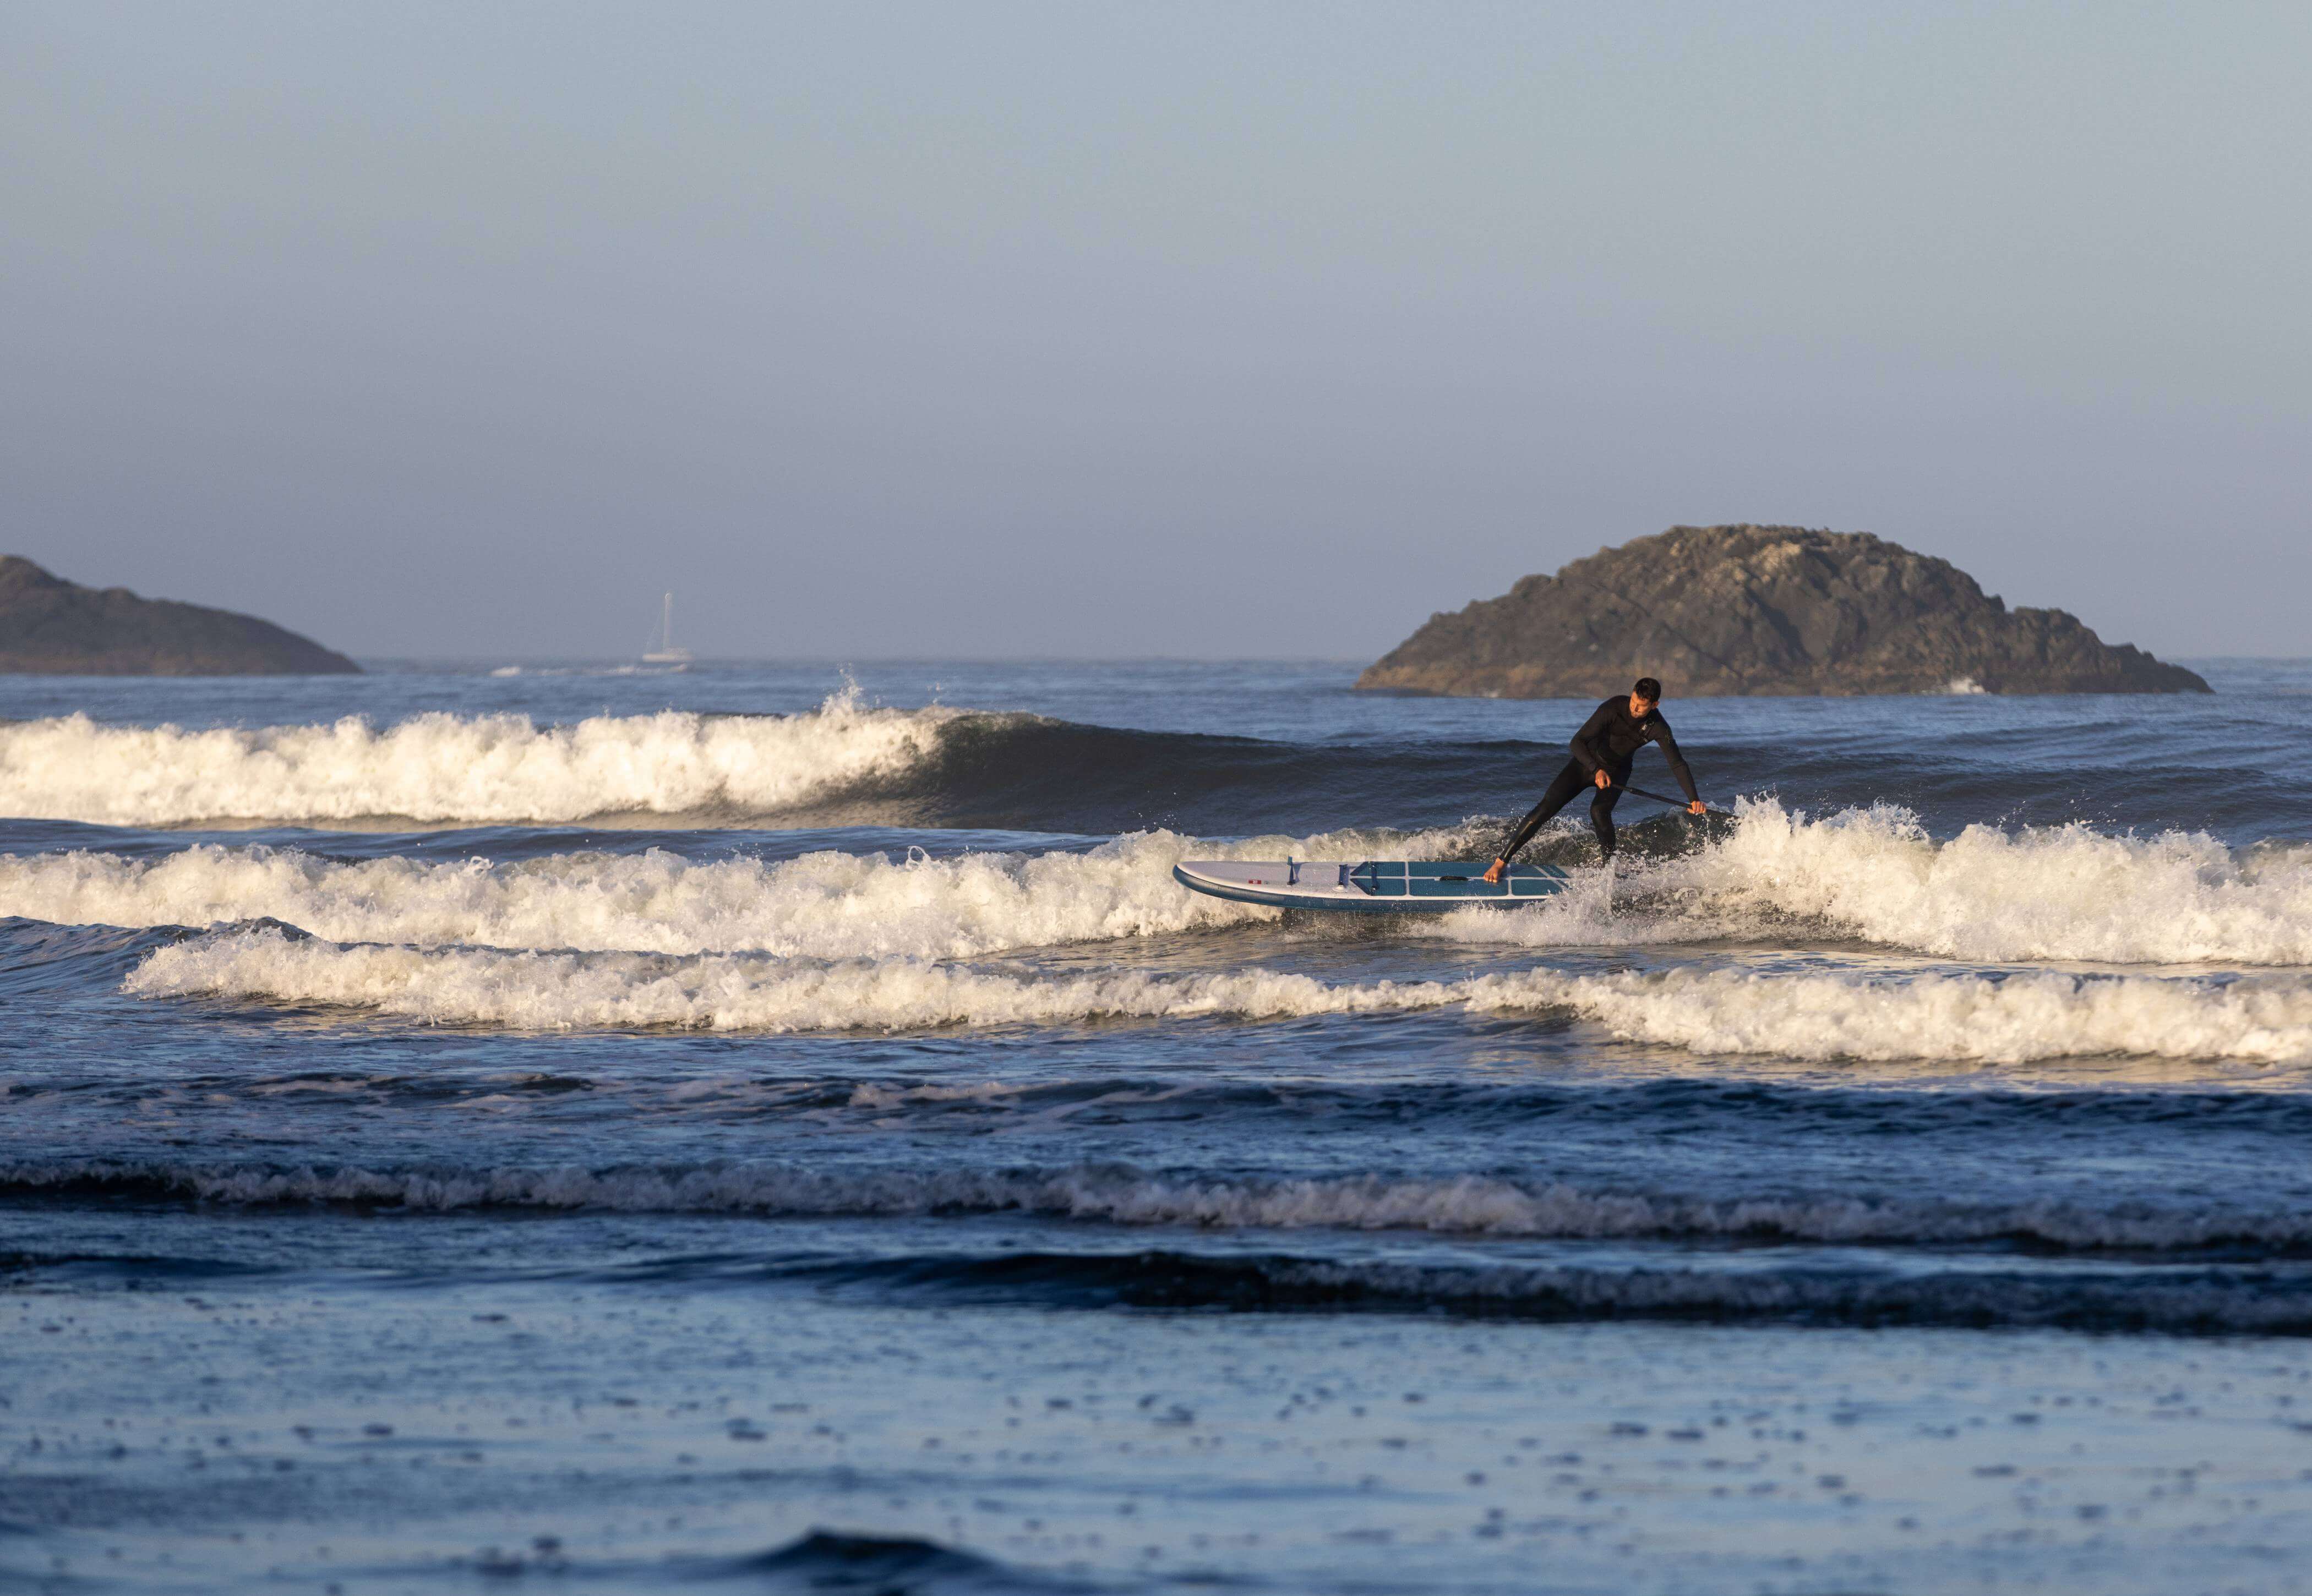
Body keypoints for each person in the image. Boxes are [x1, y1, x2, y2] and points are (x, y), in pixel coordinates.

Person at [1480, 677, 1706, 882]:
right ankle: (1501, 862)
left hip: (1618, 772)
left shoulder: (1659, 727)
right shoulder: (1613, 708)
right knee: (1546, 807)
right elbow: (1577, 741)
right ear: (1632, 693)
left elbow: (1677, 763)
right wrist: (1596, 769)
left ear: (1654, 705)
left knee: (1599, 812)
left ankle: (1609, 871)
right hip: (1585, 764)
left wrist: (1693, 798)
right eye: (1634, 702)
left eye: (1641, 707)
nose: (1635, 709)